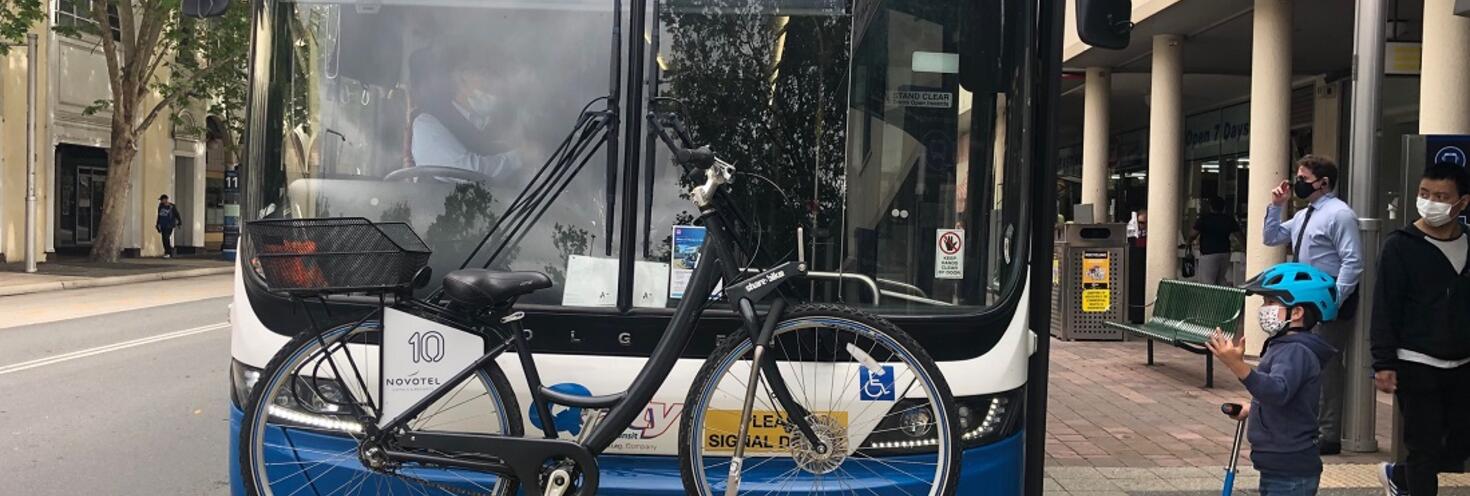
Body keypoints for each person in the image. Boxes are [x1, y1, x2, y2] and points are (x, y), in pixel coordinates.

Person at [1370, 162, 1470, 496]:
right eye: (1425, 194)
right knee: (1423, 447)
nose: (1431, 202)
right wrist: (1383, 362)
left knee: (1459, 446)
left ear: (1462, 203)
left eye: (1442, 196)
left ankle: (1401, 474)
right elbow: (1384, 306)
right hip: (1416, 361)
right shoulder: (1400, 245)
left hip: (1462, 363)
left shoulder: (1468, 245)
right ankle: (1413, 477)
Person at [1207, 263, 1339, 496]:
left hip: (1290, 469)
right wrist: (1253, 407)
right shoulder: (1285, 347)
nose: (1264, 309)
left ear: (1296, 313)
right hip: (1280, 466)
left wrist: (1237, 365)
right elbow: (1286, 395)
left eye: (1270, 303)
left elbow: (1277, 391)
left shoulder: (1296, 351)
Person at [1261, 154, 1363, 455]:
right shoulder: (1306, 214)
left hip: (1328, 295)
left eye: (1303, 179)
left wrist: (1335, 298)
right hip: (1306, 294)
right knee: (1305, 358)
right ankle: (1311, 425)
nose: (1297, 184)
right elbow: (1271, 237)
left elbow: (1353, 261)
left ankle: (1328, 432)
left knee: (1327, 364)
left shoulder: (1339, 214)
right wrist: (1276, 207)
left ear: (1324, 183)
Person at [408, 48, 520, 178]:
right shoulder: (426, 124)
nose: (496, 84)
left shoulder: (491, 123)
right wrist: (520, 157)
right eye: (485, 74)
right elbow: (470, 173)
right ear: (460, 78)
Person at [1191, 197, 1242, 285]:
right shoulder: (1228, 219)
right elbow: (1239, 235)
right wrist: (1245, 248)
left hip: (1208, 253)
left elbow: (1193, 234)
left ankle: (1209, 298)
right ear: (1223, 207)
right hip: (1225, 252)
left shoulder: (1205, 219)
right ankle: (1223, 297)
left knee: (1207, 282)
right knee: (1221, 279)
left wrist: (1188, 242)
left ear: (1211, 207)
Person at [156, 194, 182, 259]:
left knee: (166, 237)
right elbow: (159, 216)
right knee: (164, 239)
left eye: (162, 200)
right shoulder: (160, 206)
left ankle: (168, 252)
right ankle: (168, 251)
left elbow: (177, 214)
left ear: (165, 199)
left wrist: (179, 222)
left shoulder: (172, 207)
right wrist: (157, 224)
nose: (161, 201)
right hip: (162, 225)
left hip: (169, 225)